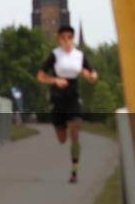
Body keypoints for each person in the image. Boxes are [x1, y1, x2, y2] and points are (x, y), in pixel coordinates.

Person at [36, 24, 99, 183]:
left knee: (75, 132)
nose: (66, 41)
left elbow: (90, 73)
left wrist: (91, 76)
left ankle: (74, 172)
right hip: (58, 98)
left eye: (69, 38)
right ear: (59, 39)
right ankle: (60, 126)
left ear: (73, 39)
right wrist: (55, 80)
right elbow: (40, 76)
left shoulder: (79, 56)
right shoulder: (54, 55)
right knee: (62, 139)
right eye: (63, 38)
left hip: (73, 97)